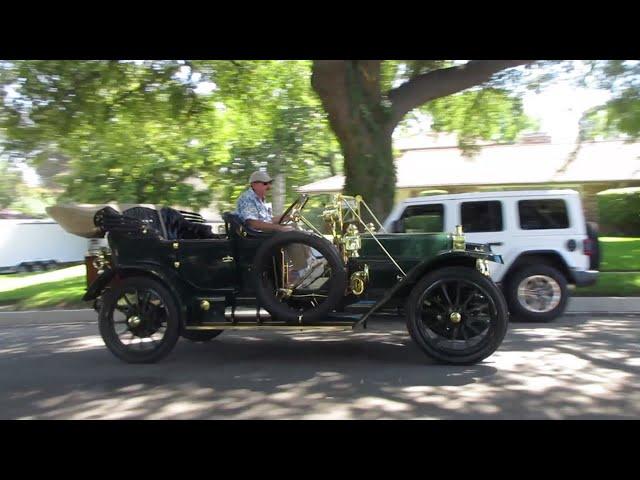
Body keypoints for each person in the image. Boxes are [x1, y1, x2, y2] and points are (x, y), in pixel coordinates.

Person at [235, 171, 325, 287]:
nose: (269, 187)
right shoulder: (247, 199)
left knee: (293, 226)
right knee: (289, 233)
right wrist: (279, 228)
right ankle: (303, 270)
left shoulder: (260, 199)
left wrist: (288, 216)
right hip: (255, 237)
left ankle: (310, 261)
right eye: (265, 183)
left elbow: (268, 220)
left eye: (269, 183)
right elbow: (253, 223)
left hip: (262, 233)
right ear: (254, 184)